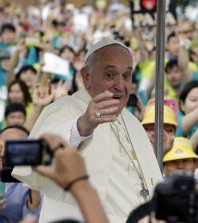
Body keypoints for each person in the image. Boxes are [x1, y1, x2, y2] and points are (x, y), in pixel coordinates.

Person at [12, 38, 162, 223]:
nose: (120, 85)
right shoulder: (61, 109)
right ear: (86, 77)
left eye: (126, 76)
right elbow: (28, 158)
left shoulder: (132, 121)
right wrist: (81, 126)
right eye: (110, 74)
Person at [0, 125, 42, 223]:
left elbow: (32, 217)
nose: (6, 152)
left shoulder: (30, 181)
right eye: (3, 145)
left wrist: (33, 182)